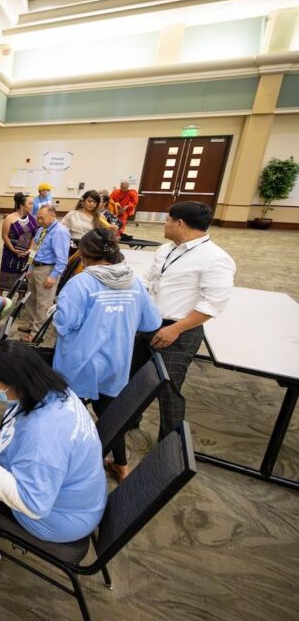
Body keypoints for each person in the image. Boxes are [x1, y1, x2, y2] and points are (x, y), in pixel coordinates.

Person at [0, 341, 107, 544]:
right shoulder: (55, 390)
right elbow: (21, 410)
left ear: (17, 383)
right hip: (82, 496)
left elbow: (33, 504)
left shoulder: (42, 439)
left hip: (59, 518)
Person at [53, 229, 161, 481]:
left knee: (68, 416)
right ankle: (121, 466)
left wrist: (57, 310)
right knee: (111, 416)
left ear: (85, 254)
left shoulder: (81, 283)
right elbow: (150, 322)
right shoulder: (134, 283)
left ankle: (69, 466)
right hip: (116, 363)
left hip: (79, 364)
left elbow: (65, 323)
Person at [135, 201, 235, 439]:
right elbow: (149, 279)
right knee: (133, 379)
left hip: (180, 331)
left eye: (168, 219)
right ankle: (128, 422)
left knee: (168, 388)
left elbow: (213, 304)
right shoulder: (166, 250)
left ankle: (169, 444)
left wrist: (175, 329)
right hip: (149, 323)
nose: (165, 223)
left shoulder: (215, 259)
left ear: (179, 223)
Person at [18, 205, 69, 339]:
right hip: (35, 268)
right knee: (31, 300)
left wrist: (53, 276)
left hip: (47, 270)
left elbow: (62, 259)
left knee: (43, 304)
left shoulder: (60, 232)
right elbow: (34, 249)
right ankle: (32, 326)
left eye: (42, 218)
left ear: (53, 216)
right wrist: (29, 267)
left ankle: (36, 334)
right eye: (38, 218)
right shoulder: (42, 229)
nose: (39, 221)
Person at [0, 192, 38, 292]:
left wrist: (30, 249)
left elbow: (35, 236)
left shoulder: (33, 219)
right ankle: (0, 299)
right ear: (21, 205)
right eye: (30, 204)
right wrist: (13, 249)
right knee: (6, 274)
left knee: (22, 277)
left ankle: (20, 297)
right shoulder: (10, 218)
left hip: (26, 254)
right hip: (10, 252)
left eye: (33, 203)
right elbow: (4, 236)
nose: (33, 206)